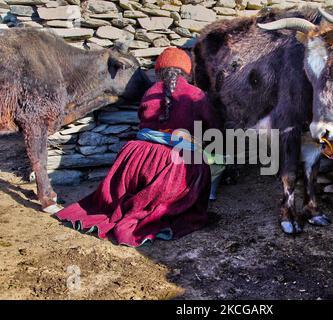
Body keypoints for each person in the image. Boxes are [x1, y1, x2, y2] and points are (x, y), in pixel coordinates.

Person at [55, 48, 219, 247]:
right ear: (187, 71)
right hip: (172, 165)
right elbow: (212, 127)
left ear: (159, 70)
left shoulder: (150, 91)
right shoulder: (196, 95)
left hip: (135, 158)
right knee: (199, 166)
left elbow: (144, 121)